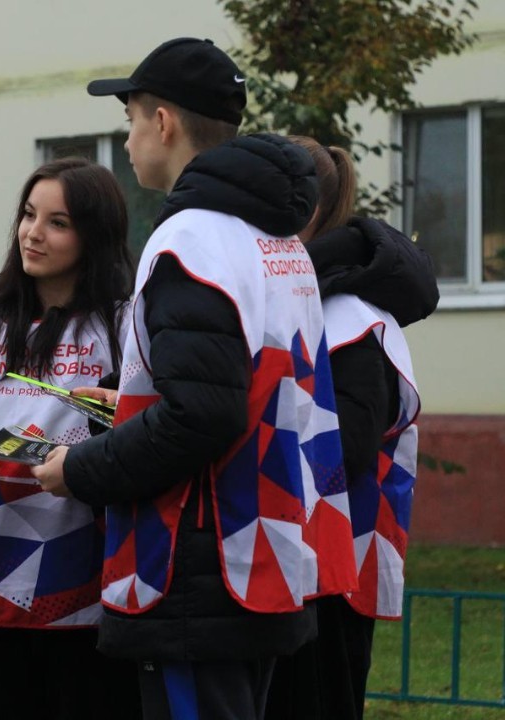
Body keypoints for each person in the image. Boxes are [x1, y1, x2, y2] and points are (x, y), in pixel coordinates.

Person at [32, 38, 359, 719]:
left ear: (163, 122)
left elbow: (202, 418)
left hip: (198, 571)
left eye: (128, 121)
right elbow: (244, 389)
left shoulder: (193, 238)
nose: (125, 142)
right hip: (261, 557)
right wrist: (134, 404)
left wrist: (82, 468)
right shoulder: (278, 240)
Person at [0, 157, 142, 719]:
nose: (32, 233)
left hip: (86, 582)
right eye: (27, 214)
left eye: (57, 222)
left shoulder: (125, 329)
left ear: (94, 236)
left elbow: (141, 443)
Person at [263, 138, 439, 720]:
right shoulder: (294, 302)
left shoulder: (353, 320)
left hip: (333, 571)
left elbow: (347, 450)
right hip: (284, 558)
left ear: (303, 210)